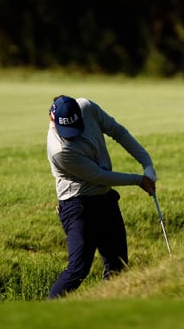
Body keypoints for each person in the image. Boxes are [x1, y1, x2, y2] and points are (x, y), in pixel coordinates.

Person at [46, 95, 157, 299]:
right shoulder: (59, 150)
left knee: (118, 266)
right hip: (77, 206)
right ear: (52, 120)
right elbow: (99, 176)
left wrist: (146, 163)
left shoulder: (87, 107)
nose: (73, 136)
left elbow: (118, 132)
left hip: (105, 198)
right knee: (78, 270)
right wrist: (139, 180)